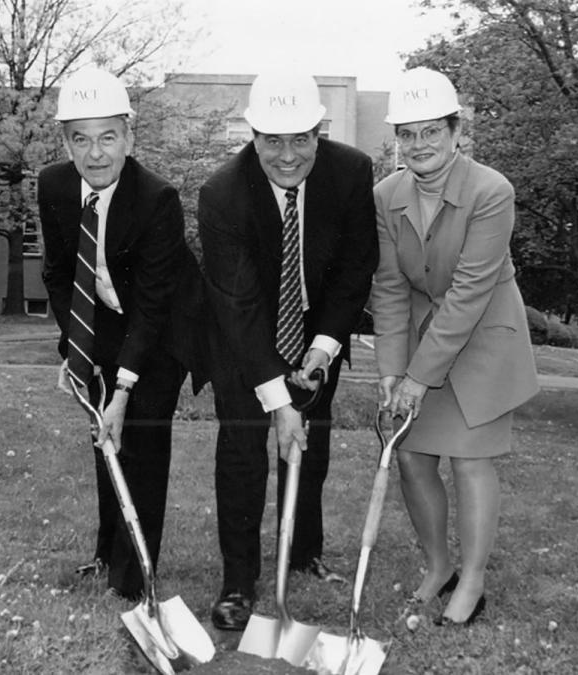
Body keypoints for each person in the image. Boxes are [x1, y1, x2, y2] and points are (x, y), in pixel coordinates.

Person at [198, 71, 378, 631]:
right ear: (252, 135)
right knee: (245, 454)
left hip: (314, 326)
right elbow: (238, 304)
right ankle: (239, 581)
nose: (287, 155)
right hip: (240, 335)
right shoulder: (222, 193)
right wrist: (277, 400)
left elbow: (354, 270)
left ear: (319, 131)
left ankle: (303, 553)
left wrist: (323, 348)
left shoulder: (350, 172)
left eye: (301, 138)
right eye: (272, 140)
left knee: (311, 449)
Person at [371, 67, 539, 626]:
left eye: (431, 132)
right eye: (407, 134)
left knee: (470, 460)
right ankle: (439, 566)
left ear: (455, 131)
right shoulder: (386, 194)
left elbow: (469, 293)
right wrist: (394, 372)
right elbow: (391, 288)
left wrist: (421, 377)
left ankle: (473, 578)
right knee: (413, 456)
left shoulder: (492, 191)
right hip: (424, 341)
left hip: (484, 336)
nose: (419, 145)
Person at [38, 67, 209, 601]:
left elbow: (155, 303)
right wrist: (76, 351)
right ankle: (105, 552)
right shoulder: (53, 185)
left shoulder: (156, 198)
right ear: (66, 143)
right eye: (81, 139)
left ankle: (134, 574)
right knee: (103, 440)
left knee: (141, 439)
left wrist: (125, 386)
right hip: (103, 322)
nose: (95, 154)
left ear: (129, 138)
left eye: (108, 137)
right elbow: (58, 273)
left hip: (163, 328)